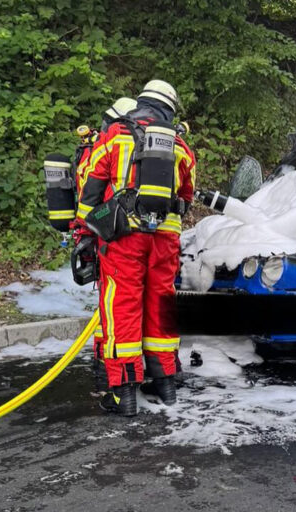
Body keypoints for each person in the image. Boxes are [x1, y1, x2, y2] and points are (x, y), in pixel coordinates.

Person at [76, 80, 196, 416]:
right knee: (161, 305)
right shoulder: (181, 147)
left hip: (124, 237)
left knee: (122, 305)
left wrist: (88, 227)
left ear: (141, 103)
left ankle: (123, 394)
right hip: (166, 241)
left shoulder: (114, 136)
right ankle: (166, 384)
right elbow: (186, 196)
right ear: (170, 110)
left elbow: (90, 185)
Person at [71, 97, 138, 395]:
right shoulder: (113, 146)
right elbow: (91, 192)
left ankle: (107, 369)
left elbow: (89, 190)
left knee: (113, 306)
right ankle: (108, 370)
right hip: (107, 234)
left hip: (107, 234)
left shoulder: (106, 146)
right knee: (115, 307)